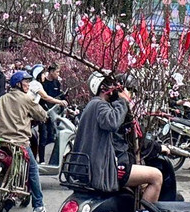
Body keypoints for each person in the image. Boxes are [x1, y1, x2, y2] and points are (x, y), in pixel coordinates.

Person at [67, 73, 161, 205]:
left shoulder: (93, 106)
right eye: (111, 84)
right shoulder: (100, 105)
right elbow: (112, 123)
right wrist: (123, 101)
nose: (116, 88)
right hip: (105, 171)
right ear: (103, 88)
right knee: (156, 177)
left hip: (95, 169)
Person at [0, 70, 50, 212]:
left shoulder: (2, 99)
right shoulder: (26, 99)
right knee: (33, 170)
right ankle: (39, 206)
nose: (28, 85)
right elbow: (42, 115)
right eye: (26, 82)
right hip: (20, 143)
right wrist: (43, 116)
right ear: (18, 84)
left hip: (0, 142)